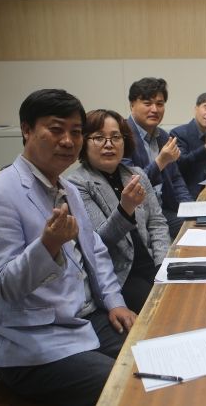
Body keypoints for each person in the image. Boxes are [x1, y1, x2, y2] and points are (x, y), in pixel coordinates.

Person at [0, 89, 136, 406]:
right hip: (29, 339)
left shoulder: (67, 188)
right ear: (26, 129)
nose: (68, 141)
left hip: (83, 318)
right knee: (124, 386)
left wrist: (114, 301)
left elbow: (96, 252)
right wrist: (48, 245)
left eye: (76, 132)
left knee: (151, 354)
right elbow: (2, 287)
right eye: (56, 129)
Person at [68, 109, 170, 313]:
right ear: (84, 142)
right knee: (161, 310)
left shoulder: (135, 174)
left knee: (184, 295)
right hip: (120, 274)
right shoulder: (78, 183)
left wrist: (163, 265)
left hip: (151, 261)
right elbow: (98, 241)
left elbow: (157, 223)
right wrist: (125, 209)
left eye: (115, 137)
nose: (109, 144)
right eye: (99, 138)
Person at [123, 77, 192, 239]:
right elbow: (129, 186)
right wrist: (160, 161)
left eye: (160, 104)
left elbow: (176, 179)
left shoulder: (163, 137)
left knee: (201, 224)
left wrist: (190, 208)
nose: (154, 109)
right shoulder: (122, 136)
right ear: (132, 105)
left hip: (163, 209)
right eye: (147, 103)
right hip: (137, 215)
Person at [170, 92, 206, 199]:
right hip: (184, 195)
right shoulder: (178, 134)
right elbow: (180, 165)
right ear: (196, 109)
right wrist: (205, 149)